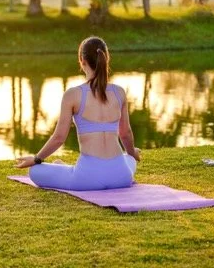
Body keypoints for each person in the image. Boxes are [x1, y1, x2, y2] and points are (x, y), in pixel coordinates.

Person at [15, 36, 140, 190]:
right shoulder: (119, 92)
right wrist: (132, 153)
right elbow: (125, 133)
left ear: (82, 61)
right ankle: (65, 168)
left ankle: (62, 167)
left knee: (34, 171)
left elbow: (59, 138)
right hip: (121, 178)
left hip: (87, 179)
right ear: (106, 58)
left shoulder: (73, 95)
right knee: (129, 159)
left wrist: (36, 159)